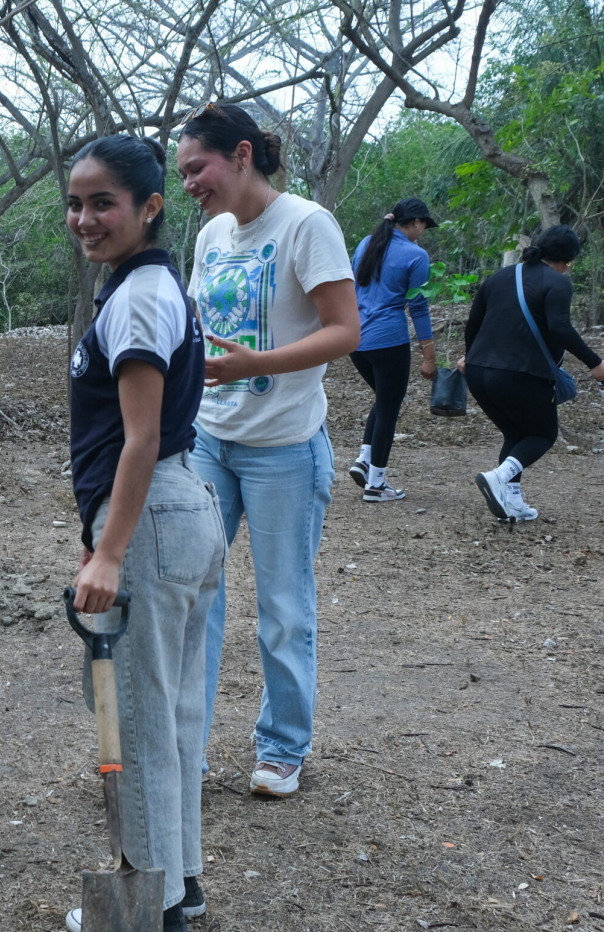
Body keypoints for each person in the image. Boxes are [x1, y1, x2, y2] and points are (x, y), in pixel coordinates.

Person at [62, 136, 226, 932]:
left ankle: (150, 907)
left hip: (155, 514)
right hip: (184, 507)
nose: (84, 219)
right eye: (75, 203)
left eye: (103, 203)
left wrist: (110, 550)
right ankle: (181, 884)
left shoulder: (136, 297)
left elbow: (140, 436)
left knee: (141, 720)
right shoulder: (154, 287)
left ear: (149, 207)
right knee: (177, 711)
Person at [175, 103, 359, 798]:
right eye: (184, 171)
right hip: (209, 443)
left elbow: (346, 331)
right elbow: (200, 323)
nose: (190, 182)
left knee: (283, 605)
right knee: (195, 596)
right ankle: (183, 743)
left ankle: (283, 746)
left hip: (284, 446)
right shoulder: (214, 234)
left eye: (200, 167)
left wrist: (262, 363)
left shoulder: (307, 225)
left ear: (243, 155)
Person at [459, 225, 604, 521]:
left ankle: (512, 502)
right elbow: (560, 327)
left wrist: (470, 356)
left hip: (478, 372)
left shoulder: (498, 277)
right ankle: (499, 478)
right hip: (521, 373)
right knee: (543, 434)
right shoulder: (558, 283)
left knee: (516, 434)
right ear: (568, 261)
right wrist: (596, 363)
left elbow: (472, 324)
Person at [348, 198, 440, 503]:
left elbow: (349, 285)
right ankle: (376, 484)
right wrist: (429, 353)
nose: (423, 231)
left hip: (356, 340)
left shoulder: (366, 243)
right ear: (414, 223)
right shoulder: (416, 255)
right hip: (389, 340)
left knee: (384, 399)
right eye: (424, 225)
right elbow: (419, 307)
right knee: (389, 407)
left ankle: (364, 459)